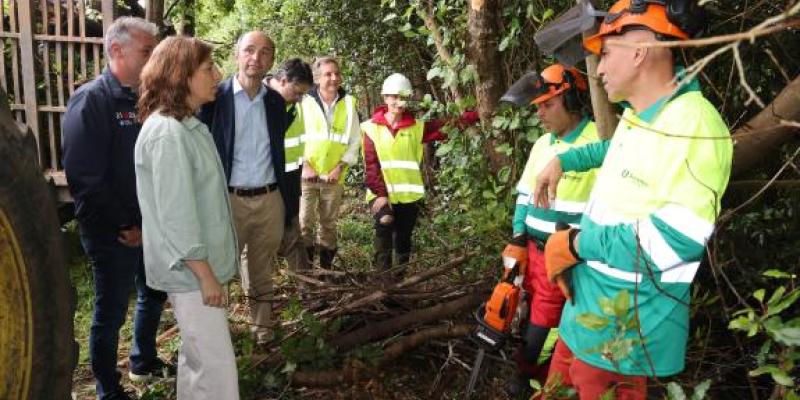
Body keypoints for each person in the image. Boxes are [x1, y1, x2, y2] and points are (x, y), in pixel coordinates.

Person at [533, 1, 732, 397]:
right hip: (584, 316)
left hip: (623, 337)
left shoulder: (695, 127)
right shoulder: (640, 116)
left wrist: (573, 243)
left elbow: (669, 244)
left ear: (639, 52)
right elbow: (616, 151)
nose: (600, 68)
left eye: (605, 54)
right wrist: (565, 159)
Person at [62, 17, 168, 400]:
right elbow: (85, 179)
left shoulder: (145, 99)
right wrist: (126, 225)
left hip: (148, 225)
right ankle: (108, 387)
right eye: (147, 51)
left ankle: (143, 360)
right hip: (114, 232)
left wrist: (150, 221)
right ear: (116, 50)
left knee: (153, 293)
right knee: (110, 313)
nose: (154, 58)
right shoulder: (92, 101)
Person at [135, 36, 236, 400]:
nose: (218, 75)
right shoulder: (167, 133)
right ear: (182, 75)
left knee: (198, 361)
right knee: (216, 367)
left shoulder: (188, 126)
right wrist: (205, 275)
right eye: (209, 69)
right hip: (191, 273)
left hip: (194, 270)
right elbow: (177, 215)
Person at [498, 64, 601, 396]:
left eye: (547, 104)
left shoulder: (598, 141)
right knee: (516, 317)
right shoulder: (542, 144)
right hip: (532, 253)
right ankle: (528, 377)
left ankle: (535, 384)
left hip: (567, 260)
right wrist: (517, 239)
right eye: (537, 106)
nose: (540, 113)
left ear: (570, 100)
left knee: (545, 333)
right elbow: (525, 196)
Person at [199, 31, 293, 346]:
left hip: (269, 199)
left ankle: (262, 333)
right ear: (237, 55)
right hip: (228, 199)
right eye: (250, 50)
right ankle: (217, 336)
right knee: (220, 269)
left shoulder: (276, 103)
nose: (256, 58)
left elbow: (279, 152)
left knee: (263, 270)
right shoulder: (215, 98)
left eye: (265, 52)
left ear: (272, 60)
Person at [362, 73, 479, 270]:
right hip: (380, 193)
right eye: (394, 97)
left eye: (403, 97)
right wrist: (381, 195)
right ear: (385, 98)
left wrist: (475, 115)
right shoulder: (370, 128)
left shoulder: (416, 127)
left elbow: (447, 126)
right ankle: (382, 279)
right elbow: (371, 165)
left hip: (408, 196)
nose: (398, 102)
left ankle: (399, 279)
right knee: (385, 221)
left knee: (403, 237)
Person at [299, 56, 361, 268]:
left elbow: (354, 141)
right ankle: (306, 273)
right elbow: (292, 137)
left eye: (336, 74)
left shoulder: (350, 104)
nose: (334, 78)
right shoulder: (303, 102)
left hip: (334, 177)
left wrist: (340, 167)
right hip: (307, 176)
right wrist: (305, 164)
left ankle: (325, 272)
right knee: (304, 224)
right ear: (317, 78)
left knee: (329, 225)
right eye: (328, 74)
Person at [265, 58, 314, 272]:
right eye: (298, 92)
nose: (300, 99)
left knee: (294, 239)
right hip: (263, 188)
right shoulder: (259, 100)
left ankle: (307, 292)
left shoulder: (292, 106)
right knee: (259, 248)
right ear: (283, 81)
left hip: (290, 185)